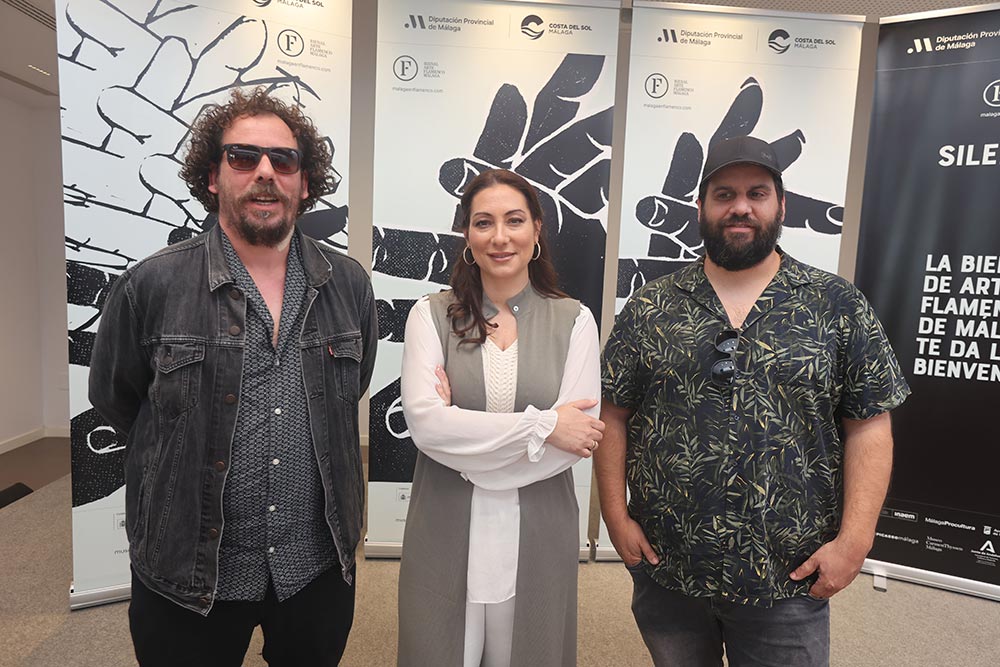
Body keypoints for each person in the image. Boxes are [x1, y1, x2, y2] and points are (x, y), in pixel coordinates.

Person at [596, 135, 910, 666]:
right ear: (701, 207)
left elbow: (870, 425)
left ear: (780, 205)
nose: (740, 207)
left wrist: (855, 541)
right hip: (670, 566)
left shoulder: (836, 305)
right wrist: (614, 515)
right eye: (724, 194)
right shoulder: (651, 306)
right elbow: (613, 415)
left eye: (757, 193)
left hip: (788, 574)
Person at [88, 88, 377, 666]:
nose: (265, 172)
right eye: (243, 157)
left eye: (283, 160)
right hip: (188, 572)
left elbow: (354, 384)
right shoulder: (151, 285)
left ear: (305, 182)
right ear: (213, 177)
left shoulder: (347, 284)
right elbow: (117, 399)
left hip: (314, 567)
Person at [397, 169, 604, 666]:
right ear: (468, 236)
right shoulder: (431, 315)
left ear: (536, 230)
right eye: (483, 222)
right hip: (445, 523)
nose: (500, 237)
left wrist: (464, 436)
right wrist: (544, 426)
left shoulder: (575, 320)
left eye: (514, 220)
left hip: (540, 529)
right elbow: (426, 426)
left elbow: (573, 444)